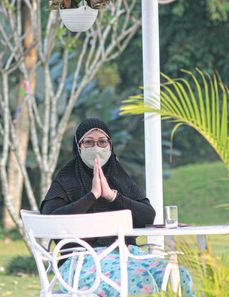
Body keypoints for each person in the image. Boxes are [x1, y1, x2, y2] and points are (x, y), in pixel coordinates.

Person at [40, 118, 194, 296]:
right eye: (88, 142)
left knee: (179, 277)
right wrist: (92, 196)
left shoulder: (119, 176)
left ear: (110, 146)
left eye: (102, 142)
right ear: (78, 146)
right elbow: (50, 219)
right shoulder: (66, 179)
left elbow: (147, 216)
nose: (95, 147)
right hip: (81, 261)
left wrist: (112, 195)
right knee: (141, 282)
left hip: (127, 255)